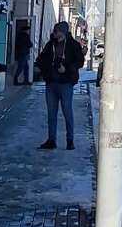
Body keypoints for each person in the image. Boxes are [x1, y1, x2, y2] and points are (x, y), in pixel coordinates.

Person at [37, 21, 85, 150]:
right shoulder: (50, 44)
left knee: (67, 112)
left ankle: (70, 140)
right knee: (51, 114)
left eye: (57, 32)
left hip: (66, 83)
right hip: (51, 83)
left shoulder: (73, 45)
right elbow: (40, 59)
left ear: (63, 32)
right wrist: (46, 70)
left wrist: (67, 68)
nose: (55, 34)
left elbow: (80, 61)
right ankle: (51, 140)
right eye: (54, 32)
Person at [12, 19, 33, 86]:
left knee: (25, 67)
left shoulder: (19, 35)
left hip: (20, 53)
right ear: (26, 30)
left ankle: (25, 81)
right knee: (21, 67)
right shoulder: (25, 36)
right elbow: (30, 44)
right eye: (28, 30)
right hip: (23, 54)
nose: (29, 31)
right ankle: (16, 80)